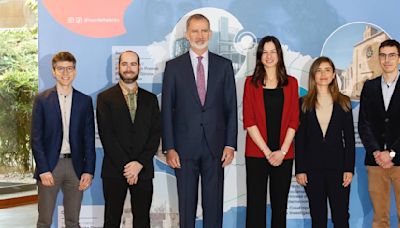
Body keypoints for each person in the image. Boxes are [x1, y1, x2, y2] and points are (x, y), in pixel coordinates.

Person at [162, 14, 238, 228]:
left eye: (204, 30)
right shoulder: (173, 67)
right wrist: (169, 147)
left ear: (210, 34)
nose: (199, 35)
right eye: (195, 30)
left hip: (216, 147)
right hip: (183, 149)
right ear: (187, 34)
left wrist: (230, 144)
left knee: (213, 207)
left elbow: (231, 108)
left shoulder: (224, 66)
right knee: (186, 207)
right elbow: (166, 110)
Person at [96, 51, 161, 228]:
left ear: (139, 67)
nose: (129, 68)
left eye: (133, 64)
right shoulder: (105, 98)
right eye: (125, 64)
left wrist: (139, 164)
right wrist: (128, 167)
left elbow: (155, 135)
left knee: (142, 220)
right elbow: (106, 136)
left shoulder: (151, 99)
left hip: (143, 170)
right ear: (118, 68)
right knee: (112, 220)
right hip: (114, 170)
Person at [31, 51, 96, 228]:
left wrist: (88, 171)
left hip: (76, 168)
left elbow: (89, 139)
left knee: (73, 221)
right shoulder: (41, 100)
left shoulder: (84, 101)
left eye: (69, 69)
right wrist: (43, 169)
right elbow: (35, 138)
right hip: (50, 167)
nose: (65, 73)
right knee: (44, 220)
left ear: (75, 71)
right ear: (53, 72)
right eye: (60, 69)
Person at [242, 35, 299, 228]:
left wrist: (281, 152)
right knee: (255, 207)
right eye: (264, 52)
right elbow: (249, 122)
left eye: (273, 51)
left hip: (284, 155)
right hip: (257, 154)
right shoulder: (250, 83)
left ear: (279, 55)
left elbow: (294, 120)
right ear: (259, 56)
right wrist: (268, 152)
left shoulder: (291, 83)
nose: (269, 56)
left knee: (279, 207)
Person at [295, 56, 355, 228]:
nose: (323, 74)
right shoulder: (303, 103)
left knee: (341, 217)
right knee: (318, 218)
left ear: (334, 74)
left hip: (338, 170)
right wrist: (300, 169)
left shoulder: (344, 102)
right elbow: (299, 140)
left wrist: (349, 169)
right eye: (319, 70)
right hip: (312, 171)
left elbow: (349, 139)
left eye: (327, 70)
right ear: (313, 75)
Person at [358, 39, 400, 228]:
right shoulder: (369, 86)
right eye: (383, 55)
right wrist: (376, 152)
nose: (387, 59)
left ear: (398, 58)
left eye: (392, 55)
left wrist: (391, 153)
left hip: (398, 160)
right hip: (375, 162)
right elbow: (364, 124)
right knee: (379, 218)